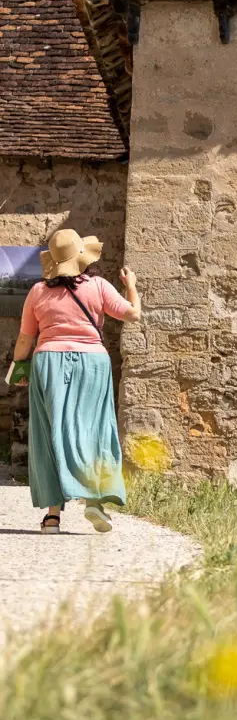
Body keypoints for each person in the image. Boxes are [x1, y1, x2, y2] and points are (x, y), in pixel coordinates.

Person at [11, 229, 141, 535]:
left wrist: (19, 367)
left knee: (49, 432)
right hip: (93, 363)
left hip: (49, 362)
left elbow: (25, 338)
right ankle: (95, 500)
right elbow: (132, 314)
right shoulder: (97, 286)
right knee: (95, 429)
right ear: (83, 257)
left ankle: (52, 517)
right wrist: (132, 287)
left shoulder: (38, 292)